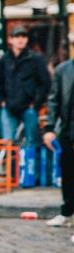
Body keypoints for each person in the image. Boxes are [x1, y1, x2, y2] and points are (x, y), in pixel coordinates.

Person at [0, 25, 51, 146]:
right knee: (9, 143)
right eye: (17, 37)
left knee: (31, 142)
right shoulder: (5, 59)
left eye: (23, 36)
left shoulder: (36, 59)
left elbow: (45, 83)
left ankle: (29, 165)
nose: (20, 40)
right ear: (10, 40)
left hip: (29, 107)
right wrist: (2, 100)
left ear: (27, 40)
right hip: (9, 107)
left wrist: (35, 103)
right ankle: (11, 165)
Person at [43, 57, 74, 227]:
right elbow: (54, 100)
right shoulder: (63, 70)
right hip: (68, 129)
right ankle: (67, 212)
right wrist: (49, 128)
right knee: (68, 172)